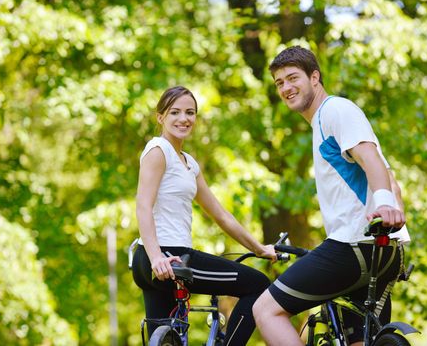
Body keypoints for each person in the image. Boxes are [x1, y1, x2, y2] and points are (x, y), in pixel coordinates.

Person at [252, 46, 411, 346]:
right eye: (279, 82)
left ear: (315, 77)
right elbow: (391, 179)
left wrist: (386, 206)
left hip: (353, 245)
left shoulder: (334, 111)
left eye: (292, 78)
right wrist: (392, 215)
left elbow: (371, 159)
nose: (285, 87)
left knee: (265, 310)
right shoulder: (324, 123)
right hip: (385, 248)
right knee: (359, 340)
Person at [132, 86, 277, 346]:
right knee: (258, 285)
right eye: (174, 112)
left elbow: (221, 216)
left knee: (166, 338)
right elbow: (143, 204)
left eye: (190, 112)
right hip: (168, 258)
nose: (183, 118)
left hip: (153, 263)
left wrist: (259, 248)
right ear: (160, 117)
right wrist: (157, 258)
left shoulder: (188, 163)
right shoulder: (158, 150)